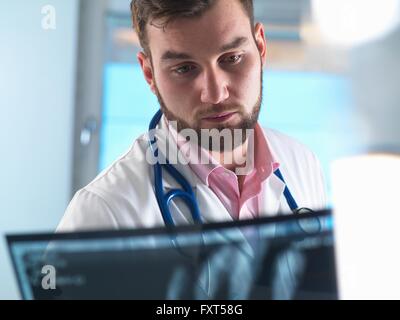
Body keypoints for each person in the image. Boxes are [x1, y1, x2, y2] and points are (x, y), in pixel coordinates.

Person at [57, 0, 327, 232]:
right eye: (185, 69)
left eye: (231, 58)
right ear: (149, 74)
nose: (215, 93)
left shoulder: (302, 164)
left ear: (261, 47)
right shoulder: (103, 212)